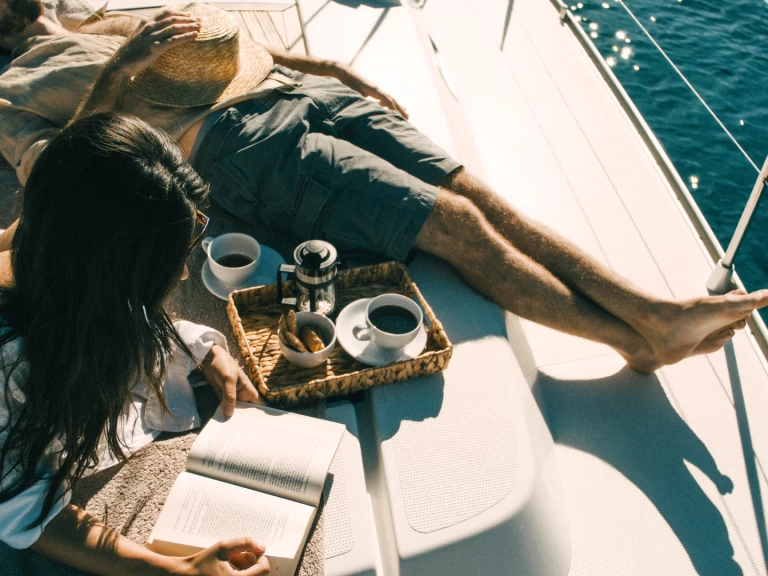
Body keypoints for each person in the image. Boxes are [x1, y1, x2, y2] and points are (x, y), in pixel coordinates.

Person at [0, 1, 766, 374]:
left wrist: (331, 71)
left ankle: (650, 308)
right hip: (241, 146)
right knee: (457, 225)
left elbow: (227, 48)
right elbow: (69, 169)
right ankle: (633, 339)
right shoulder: (13, 88)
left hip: (296, 92)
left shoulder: (87, 14)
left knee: (481, 197)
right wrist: (121, 68)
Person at [0, 112, 270, 574]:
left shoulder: (46, 251)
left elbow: (111, 317)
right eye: (165, 266)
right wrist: (172, 571)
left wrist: (200, 349)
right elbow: (25, 511)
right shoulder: (10, 367)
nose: (183, 274)